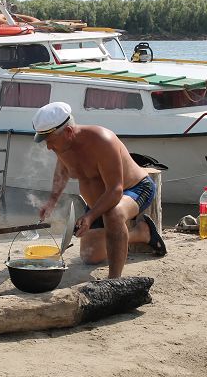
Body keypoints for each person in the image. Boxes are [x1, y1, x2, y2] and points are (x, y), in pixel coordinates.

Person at [34, 102, 166, 278]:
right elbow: (62, 170)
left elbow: (115, 190)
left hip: (134, 189)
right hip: (98, 202)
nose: (48, 147)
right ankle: (142, 233)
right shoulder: (62, 144)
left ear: (68, 132)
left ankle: (113, 280)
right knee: (90, 256)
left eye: (50, 141)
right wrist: (51, 201)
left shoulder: (103, 140)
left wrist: (89, 216)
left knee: (114, 214)